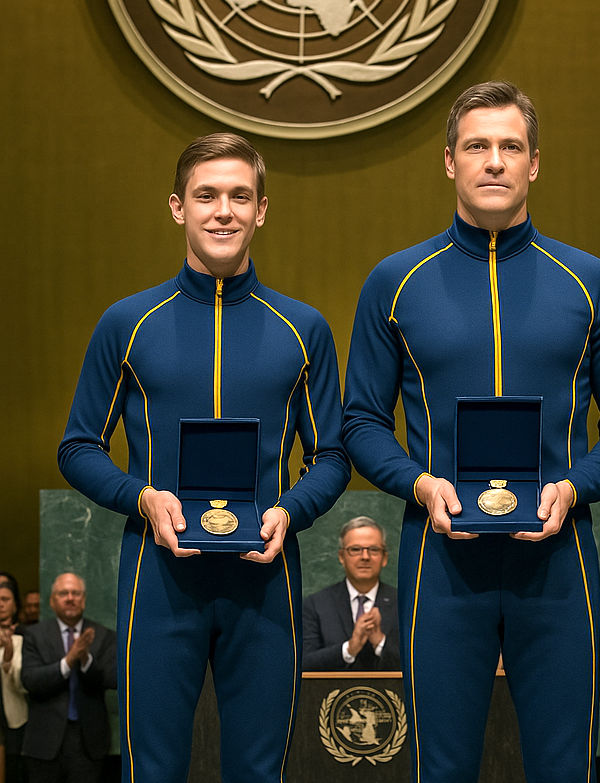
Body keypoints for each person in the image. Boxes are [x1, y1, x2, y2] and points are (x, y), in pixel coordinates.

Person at [342, 81, 600, 782]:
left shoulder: (590, 281)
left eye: (510, 146)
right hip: (440, 556)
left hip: (560, 555)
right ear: (448, 161)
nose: (494, 161)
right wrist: (419, 483)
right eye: (477, 146)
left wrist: (575, 487)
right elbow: (360, 421)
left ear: (534, 163)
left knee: (564, 767)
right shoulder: (394, 282)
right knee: (440, 767)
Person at [56, 133, 349, 783]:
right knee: (151, 769)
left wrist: (289, 512)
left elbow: (331, 455)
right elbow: (78, 446)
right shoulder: (127, 322)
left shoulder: (304, 329)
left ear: (262, 209)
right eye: (206, 195)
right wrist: (144, 497)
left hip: (265, 578)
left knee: (259, 769)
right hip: (158, 581)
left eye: (240, 195)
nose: (223, 210)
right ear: (177, 207)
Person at [20, 574, 116, 783]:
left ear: (84, 599)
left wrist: (85, 659)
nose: (70, 598)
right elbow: (30, 680)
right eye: (63, 593)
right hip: (44, 742)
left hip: (88, 743)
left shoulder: (103, 635)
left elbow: (112, 679)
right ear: (53, 600)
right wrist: (69, 660)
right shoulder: (34, 635)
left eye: (76, 593)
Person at [302, 516, 400, 671]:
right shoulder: (316, 604)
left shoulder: (404, 604)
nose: (365, 557)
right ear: (342, 556)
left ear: (384, 558)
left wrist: (380, 642)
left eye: (373, 550)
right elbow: (304, 663)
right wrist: (349, 649)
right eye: (355, 549)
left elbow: (419, 664)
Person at [0, 583, 26, 783]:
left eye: (5, 599)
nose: (0, 604)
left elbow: (25, 683)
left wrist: (8, 657)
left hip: (15, 720)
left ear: (16, 605)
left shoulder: (26, 637)